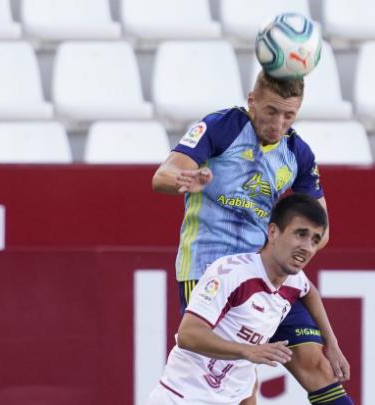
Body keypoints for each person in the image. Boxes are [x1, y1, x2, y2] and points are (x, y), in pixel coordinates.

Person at [152, 71, 353, 404]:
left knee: (318, 366)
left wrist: (284, 247)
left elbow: (323, 229)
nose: (279, 123)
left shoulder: (297, 153)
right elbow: (162, 176)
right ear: (252, 101)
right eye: (272, 111)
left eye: (289, 115)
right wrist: (186, 180)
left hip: (265, 273)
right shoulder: (223, 127)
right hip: (207, 271)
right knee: (237, 388)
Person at [146, 194, 345, 405]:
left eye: (315, 239)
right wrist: (247, 350)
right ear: (273, 231)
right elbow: (188, 335)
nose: (307, 247)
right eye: (300, 234)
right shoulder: (232, 273)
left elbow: (309, 291)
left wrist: (332, 343)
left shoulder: (293, 280)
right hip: (183, 398)